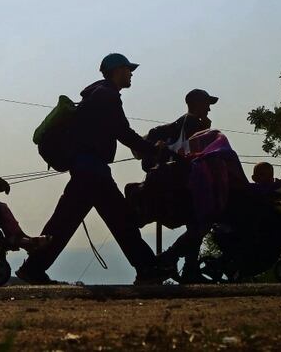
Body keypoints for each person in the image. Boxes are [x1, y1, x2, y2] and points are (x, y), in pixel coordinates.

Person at [16, 54, 172, 286]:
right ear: (117, 70)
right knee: (119, 220)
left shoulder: (97, 94)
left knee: (70, 220)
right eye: (128, 69)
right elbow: (123, 132)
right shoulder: (107, 96)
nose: (131, 73)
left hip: (87, 170)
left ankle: (33, 268)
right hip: (92, 171)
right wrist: (153, 150)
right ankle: (147, 269)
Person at [146, 89, 220, 283]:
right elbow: (200, 155)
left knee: (195, 224)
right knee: (200, 223)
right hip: (188, 183)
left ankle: (189, 268)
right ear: (196, 103)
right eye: (207, 104)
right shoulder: (196, 125)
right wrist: (206, 132)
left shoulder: (172, 127)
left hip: (173, 184)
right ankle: (171, 258)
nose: (209, 109)